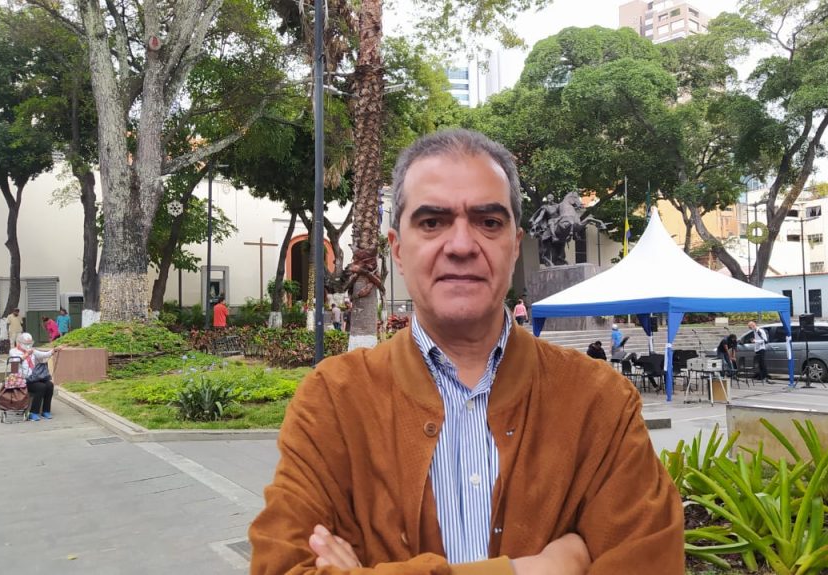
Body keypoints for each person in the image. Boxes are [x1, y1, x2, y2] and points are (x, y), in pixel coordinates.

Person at [249, 129, 684, 574]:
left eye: (489, 222)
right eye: (432, 222)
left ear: (514, 245)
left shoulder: (599, 403)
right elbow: (281, 565)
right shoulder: (333, 401)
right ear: (397, 250)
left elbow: (649, 562)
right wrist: (527, 570)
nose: (460, 246)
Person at [9, 333, 64, 421]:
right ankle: (33, 412)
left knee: (49, 385)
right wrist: (26, 355)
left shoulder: (32, 351)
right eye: (26, 344)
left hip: (34, 377)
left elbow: (44, 355)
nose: (28, 346)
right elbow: (14, 363)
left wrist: (54, 350)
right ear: (19, 343)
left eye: (29, 343)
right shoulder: (13, 351)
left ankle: (46, 410)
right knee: (40, 387)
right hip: (22, 380)